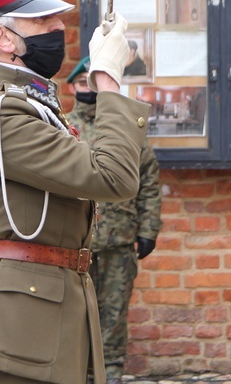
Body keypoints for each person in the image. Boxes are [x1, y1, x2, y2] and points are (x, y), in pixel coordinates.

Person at [0, 0, 151, 384]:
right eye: (42, 20)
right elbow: (112, 176)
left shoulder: (27, 104)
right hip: (9, 329)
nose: (59, 27)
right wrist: (108, 82)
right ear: (4, 38)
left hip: (30, 318)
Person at [66, 57, 162, 384]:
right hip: (74, 243)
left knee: (114, 317)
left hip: (119, 240)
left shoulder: (124, 129)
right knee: (74, 316)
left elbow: (148, 180)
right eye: (82, 85)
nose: (88, 92)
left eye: (93, 85)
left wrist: (148, 229)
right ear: (72, 88)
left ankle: (111, 376)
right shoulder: (63, 127)